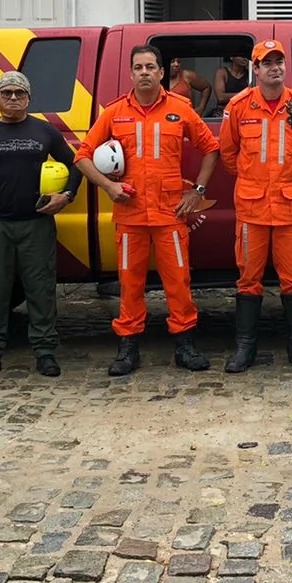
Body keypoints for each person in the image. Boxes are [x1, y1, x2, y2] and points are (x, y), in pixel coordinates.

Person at [75, 45, 220, 376]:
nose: (144, 72)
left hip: (171, 214)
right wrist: (109, 187)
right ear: (130, 73)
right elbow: (82, 155)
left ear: (160, 72)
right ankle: (128, 348)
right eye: (138, 67)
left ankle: (185, 344)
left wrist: (197, 192)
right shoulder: (113, 112)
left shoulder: (180, 109)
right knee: (130, 283)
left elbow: (211, 149)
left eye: (150, 67)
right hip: (131, 215)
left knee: (179, 282)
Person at [0, 70, 82, 380]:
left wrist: (66, 196)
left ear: (29, 98)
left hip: (36, 225)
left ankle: (45, 352)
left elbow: (76, 165)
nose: (13, 98)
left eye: (19, 93)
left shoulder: (45, 132)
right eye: (7, 93)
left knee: (41, 291)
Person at [219, 39, 292, 374]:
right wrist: (254, 182)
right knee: (248, 279)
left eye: (279, 62)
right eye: (267, 63)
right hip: (251, 209)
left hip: (289, 208)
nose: (274, 67)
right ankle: (245, 347)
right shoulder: (238, 107)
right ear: (256, 69)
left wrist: (285, 183)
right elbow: (228, 155)